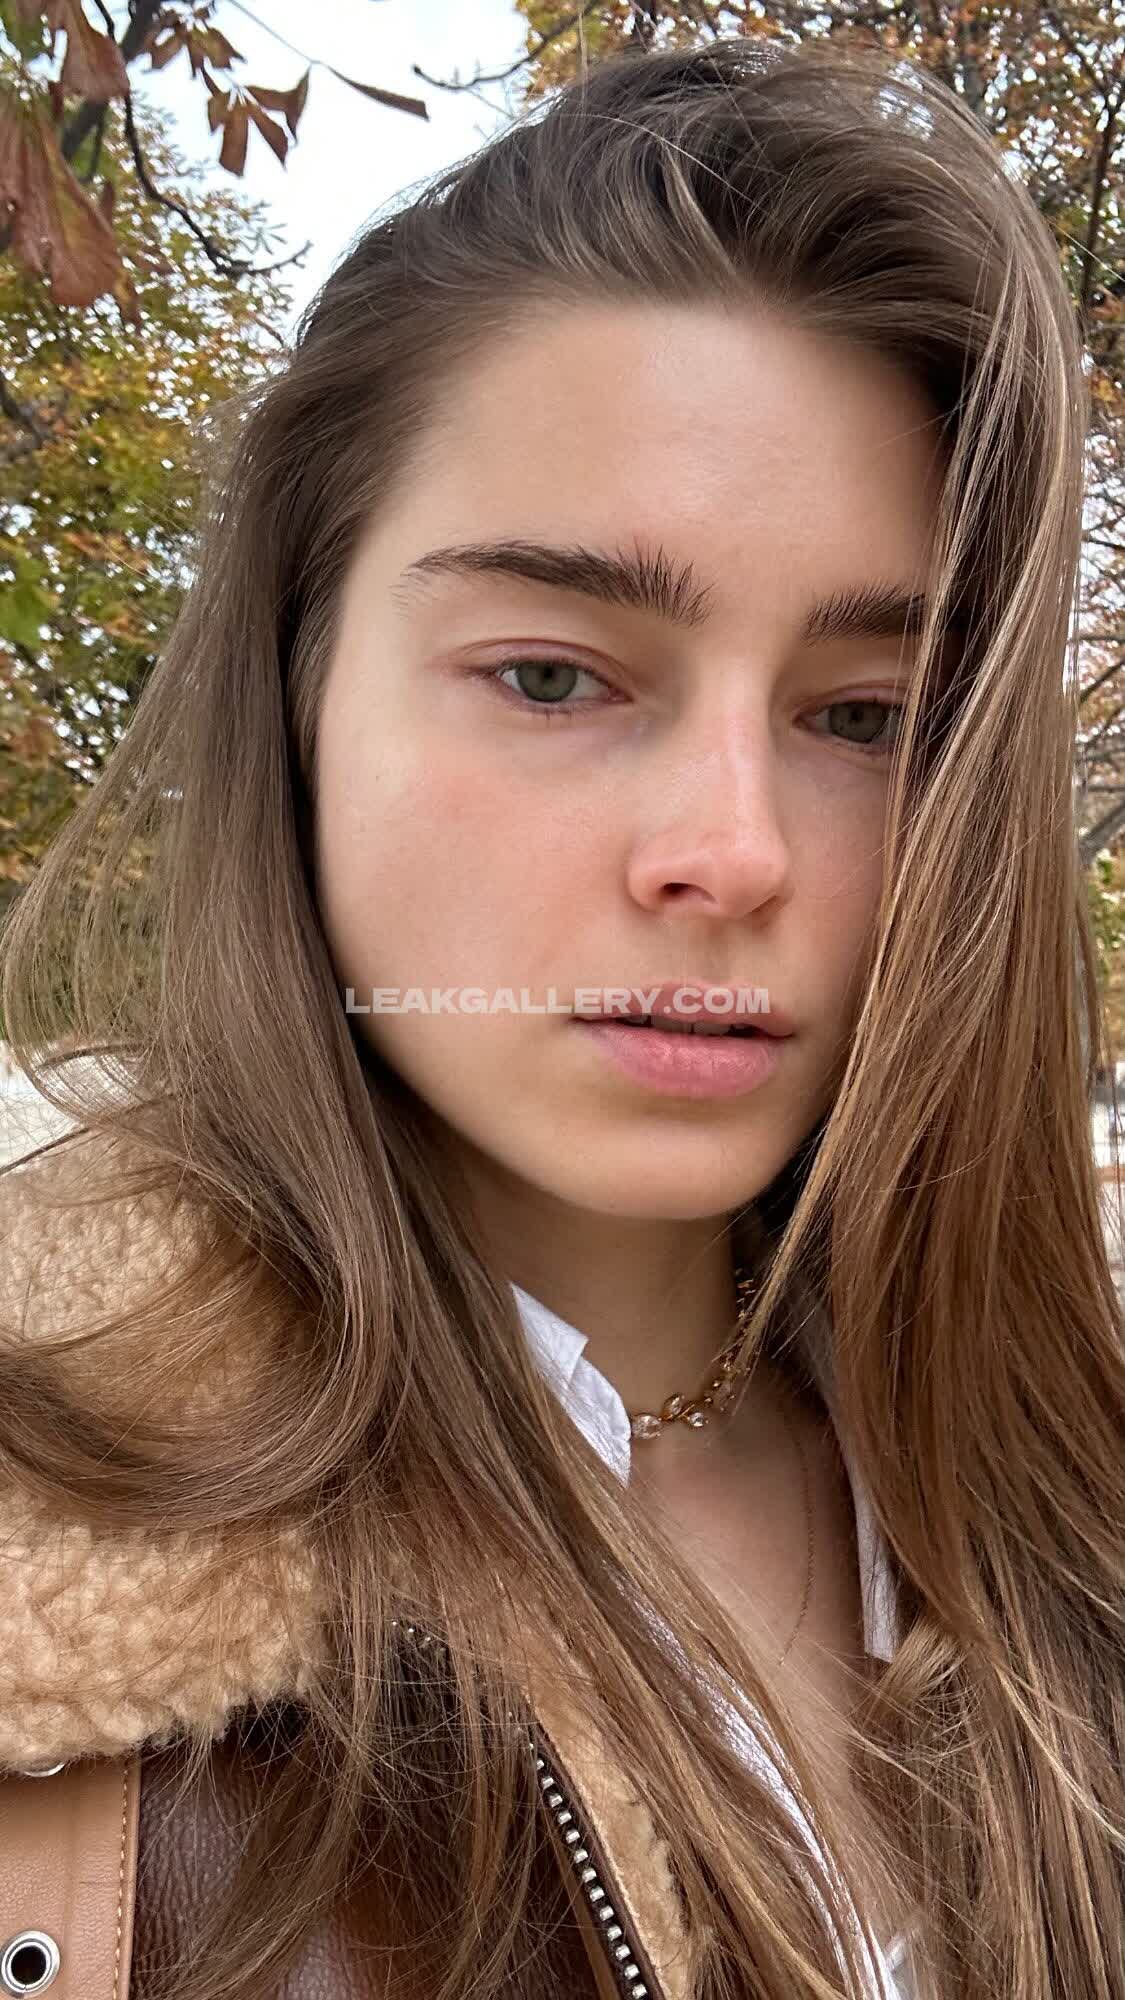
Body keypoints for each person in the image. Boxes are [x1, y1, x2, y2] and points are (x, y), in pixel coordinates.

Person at [0, 33, 1121, 2000]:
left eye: (863, 715)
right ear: (297, 696)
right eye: (550, 677)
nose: (732, 853)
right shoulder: (48, 1561)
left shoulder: (1058, 1491)